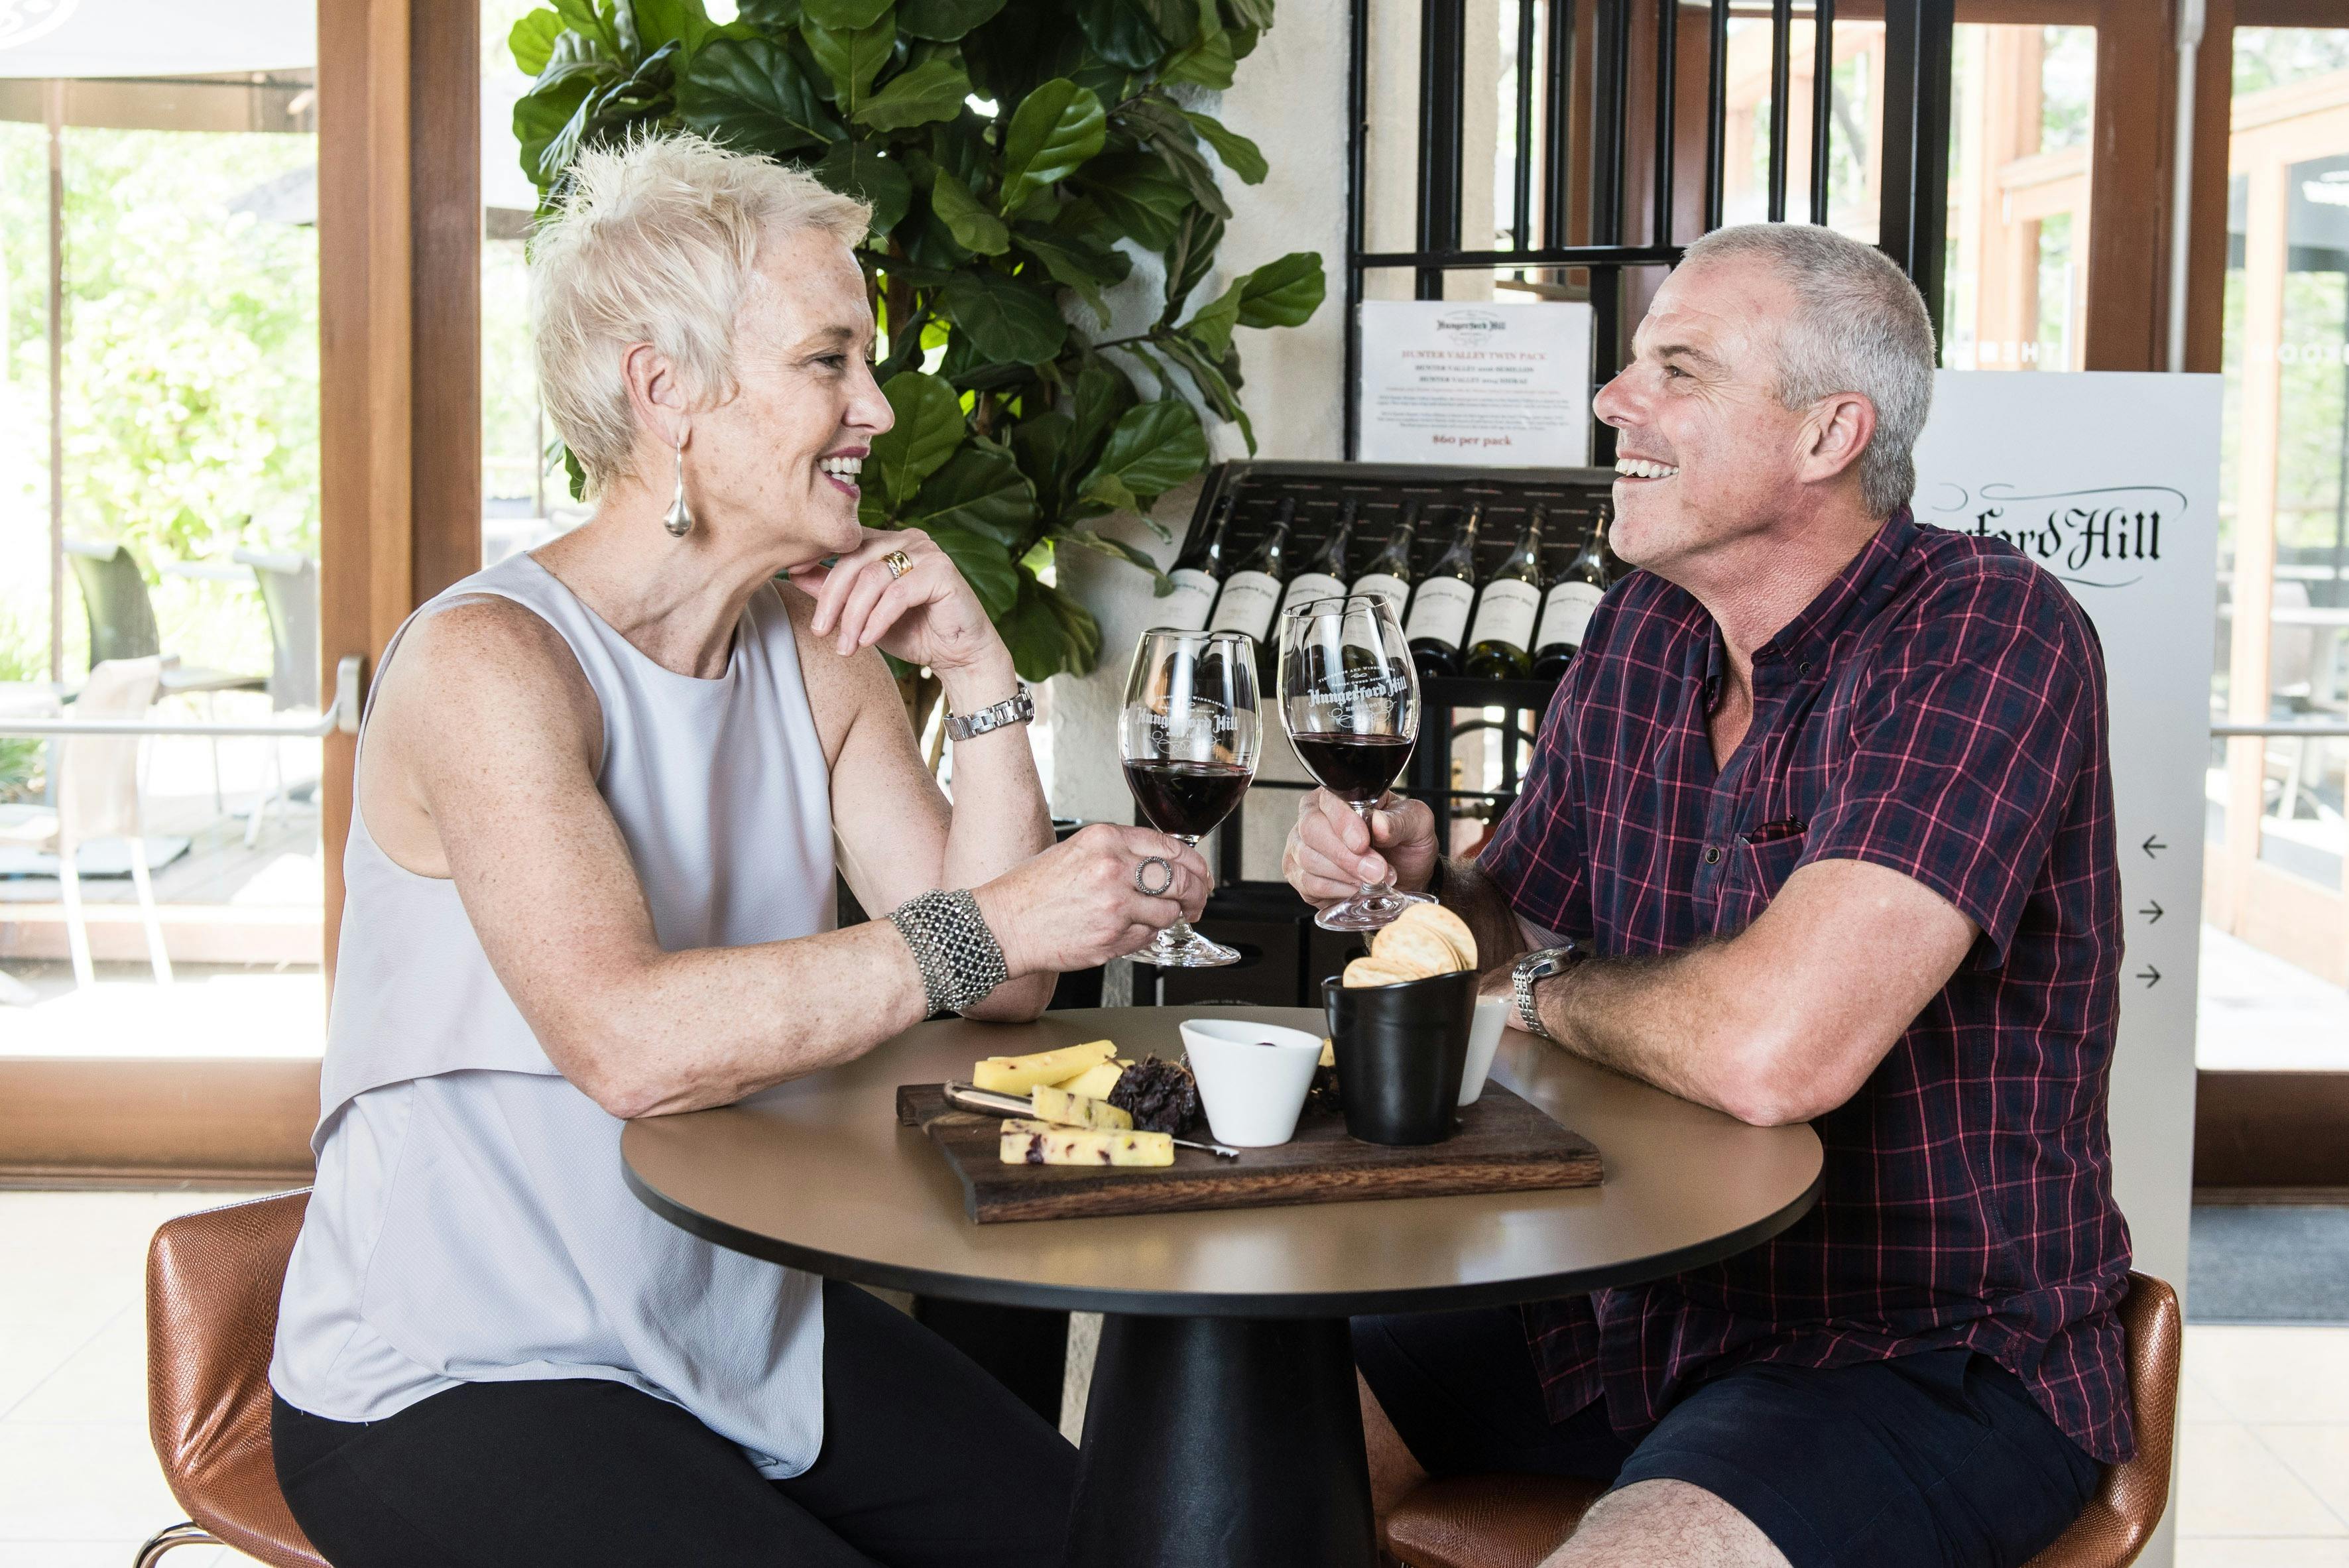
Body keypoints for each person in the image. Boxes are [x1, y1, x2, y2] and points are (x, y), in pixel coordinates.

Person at [267, 132, 1211, 1567]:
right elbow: (630, 1041)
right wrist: (1000, 922)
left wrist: (976, 674)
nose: (879, 410)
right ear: (666, 392)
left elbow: (993, 989)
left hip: (729, 1335)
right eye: (827, 362)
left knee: (1114, 1548)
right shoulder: (493, 664)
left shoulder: (810, 651)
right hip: (461, 1361)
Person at [1284, 223, 2128, 1568]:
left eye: (1676, 369)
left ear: (1825, 434)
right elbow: (1510, 916)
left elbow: (1770, 1051)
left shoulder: (1984, 631)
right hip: (1615, 1300)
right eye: (1631, 366)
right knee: (1233, 1423)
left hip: (1908, 1348)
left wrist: (1534, 988)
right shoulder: (1643, 628)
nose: (1614, 400)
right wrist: (1423, 881)